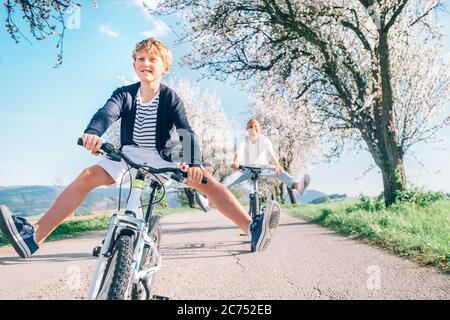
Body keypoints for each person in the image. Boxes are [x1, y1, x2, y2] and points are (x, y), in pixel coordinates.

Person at [0, 38, 279, 258]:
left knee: (207, 181)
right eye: (140, 59)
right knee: (87, 176)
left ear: (164, 68)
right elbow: (106, 113)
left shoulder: (171, 98)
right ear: (134, 64)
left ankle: (251, 229)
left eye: (152, 60)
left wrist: (193, 163)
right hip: (128, 154)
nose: (146, 63)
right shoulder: (124, 94)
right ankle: (33, 237)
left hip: (164, 157)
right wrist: (93, 133)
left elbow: (185, 130)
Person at [225, 119, 310, 197]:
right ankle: (215, 192)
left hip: (262, 168)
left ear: (260, 129)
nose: (253, 128)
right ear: (247, 129)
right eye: (250, 126)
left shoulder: (264, 140)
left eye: (255, 126)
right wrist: (235, 161)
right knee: (231, 179)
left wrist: (277, 164)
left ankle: (297, 186)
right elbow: (239, 151)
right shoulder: (244, 139)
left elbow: (271, 153)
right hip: (247, 168)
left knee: (279, 171)